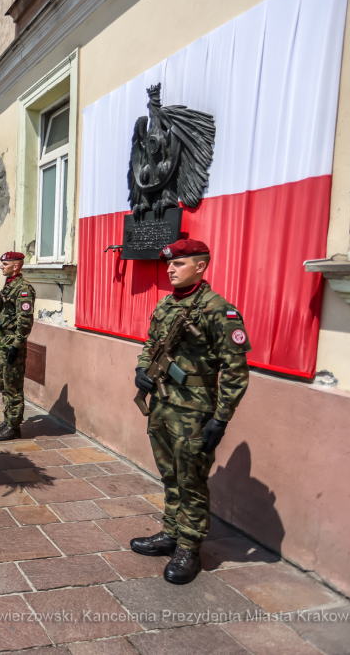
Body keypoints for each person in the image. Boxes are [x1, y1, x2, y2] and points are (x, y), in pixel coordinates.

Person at [129, 239, 251, 585]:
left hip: (195, 412)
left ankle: (189, 548)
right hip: (163, 405)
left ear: (201, 266)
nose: (170, 268)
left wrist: (221, 417)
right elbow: (151, 344)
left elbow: (236, 369)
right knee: (169, 475)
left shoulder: (219, 310)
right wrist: (142, 368)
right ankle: (170, 533)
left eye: (179, 263)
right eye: (169, 264)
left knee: (192, 481)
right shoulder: (166, 305)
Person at [0, 252, 36, 442]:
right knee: (4, 383)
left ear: (16, 266)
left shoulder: (24, 289)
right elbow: (0, 312)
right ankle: (8, 420)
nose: (2, 266)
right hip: (2, 341)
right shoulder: (9, 285)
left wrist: (16, 346)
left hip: (11, 343)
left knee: (13, 386)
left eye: (5, 264)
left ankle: (14, 427)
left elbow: (25, 321)